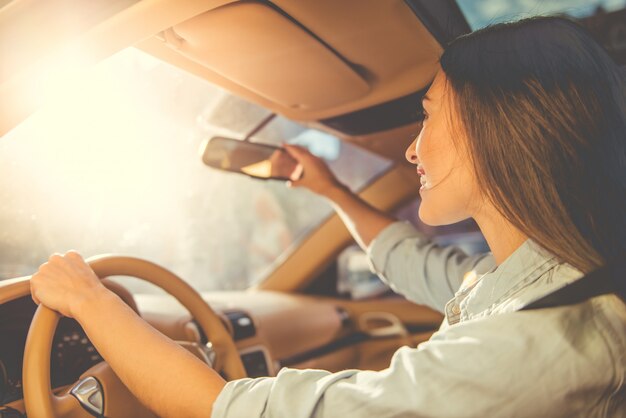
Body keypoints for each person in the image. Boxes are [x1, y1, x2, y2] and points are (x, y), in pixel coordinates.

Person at [30, 16, 625, 418]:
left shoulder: (543, 336)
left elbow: (225, 408)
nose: (412, 149)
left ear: (495, 131)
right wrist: (330, 188)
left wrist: (90, 300)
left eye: (428, 115)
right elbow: (419, 265)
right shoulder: (541, 277)